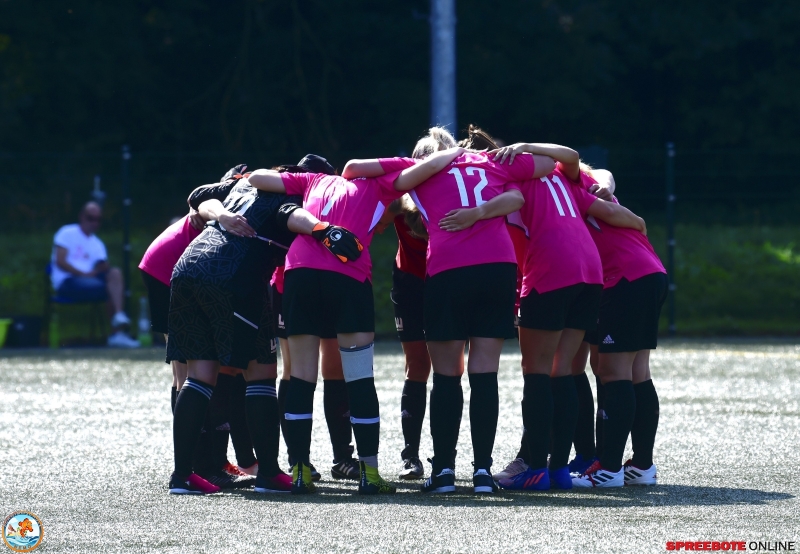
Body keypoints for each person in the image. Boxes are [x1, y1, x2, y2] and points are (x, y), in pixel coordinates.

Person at [345, 128, 556, 494]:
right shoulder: (487, 160)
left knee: (446, 376)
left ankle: (443, 470)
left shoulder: (419, 167)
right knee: (484, 374)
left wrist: (430, 165)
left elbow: (353, 169)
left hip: (450, 268)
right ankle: (482, 473)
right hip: (498, 268)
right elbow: (547, 165)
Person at [246, 146, 464, 495]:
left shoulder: (313, 179)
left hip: (299, 273)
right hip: (347, 275)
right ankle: (370, 473)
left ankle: (299, 470)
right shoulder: (382, 185)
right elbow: (422, 170)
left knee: (300, 376)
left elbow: (258, 177)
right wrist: (450, 153)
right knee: (359, 377)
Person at [167, 156, 362, 495]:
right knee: (261, 373)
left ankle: (182, 477)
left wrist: (222, 215)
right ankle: (269, 473)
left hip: (187, 267)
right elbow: (290, 214)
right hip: (235, 277)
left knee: (200, 375)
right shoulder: (296, 192)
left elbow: (200, 194)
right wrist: (323, 229)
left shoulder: (248, 182)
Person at [482, 140, 646, 491]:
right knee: (565, 371)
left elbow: (514, 214)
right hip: (591, 272)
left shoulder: (508, 177)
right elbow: (590, 172)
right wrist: (638, 222)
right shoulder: (564, 177)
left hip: (553, 271)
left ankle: (535, 467)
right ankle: (561, 468)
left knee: (537, 373)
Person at [569, 169, 667, 488]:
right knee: (637, 370)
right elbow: (604, 175)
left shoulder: (574, 193)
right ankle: (641, 466)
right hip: (648, 273)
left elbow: (603, 176)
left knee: (613, 371)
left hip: (625, 278)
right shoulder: (585, 185)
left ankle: (609, 469)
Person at [50, 201, 139, 347]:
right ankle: (116, 333)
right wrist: (83, 274)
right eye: (90, 218)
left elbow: (100, 266)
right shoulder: (66, 233)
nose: (94, 223)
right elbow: (60, 261)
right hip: (67, 281)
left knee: (115, 273)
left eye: (98, 219)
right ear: (81, 216)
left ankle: (118, 316)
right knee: (109, 289)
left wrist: (102, 268)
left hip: (91, 281)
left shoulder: (97, 243)